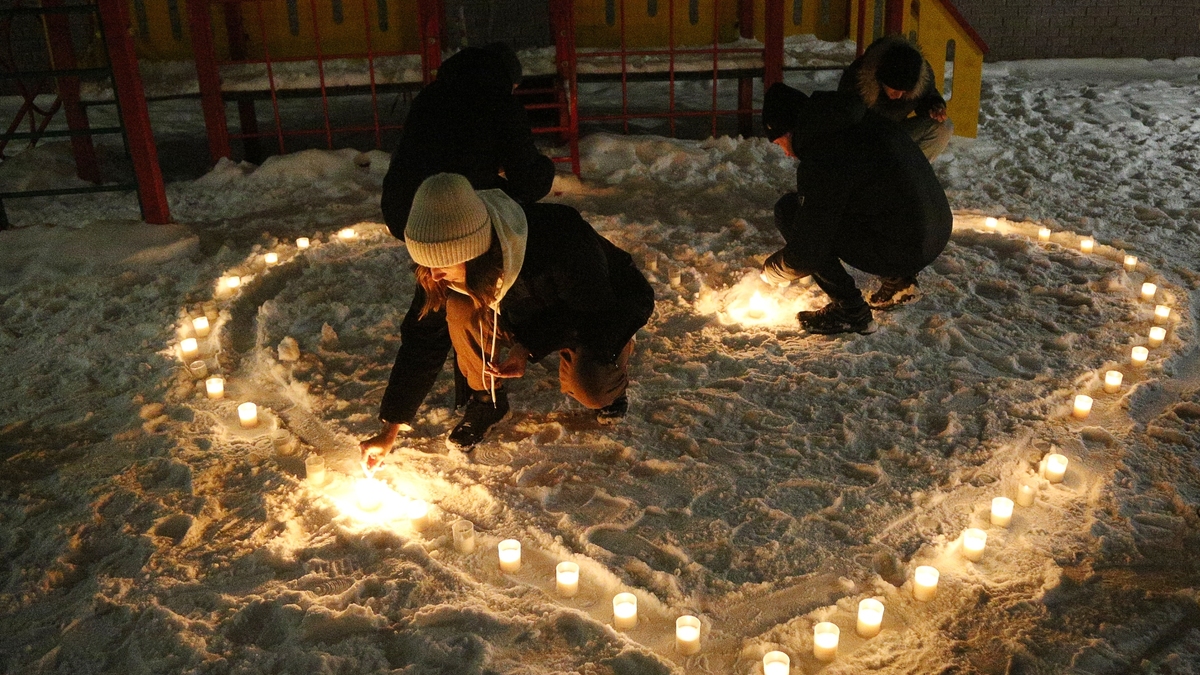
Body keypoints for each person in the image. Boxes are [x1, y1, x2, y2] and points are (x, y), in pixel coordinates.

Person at [362, 174, 654, 458]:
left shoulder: (559, 236)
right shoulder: (438, 267)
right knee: (460, 307)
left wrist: (526, 346)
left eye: (444, 264)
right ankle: (487, 401)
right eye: (427, 263)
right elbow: (422, 340)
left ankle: (612, 373)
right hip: (522, 311)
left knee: (591, 389)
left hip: (598, 308)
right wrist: (391, 427)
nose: (435, 274)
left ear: (475, 252)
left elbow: (589, 311)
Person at [365, 44, 556, 467]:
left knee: (458, 296)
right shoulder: (500, 101)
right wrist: (520, 192)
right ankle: (479, 389)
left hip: (408, 212)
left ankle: (478, 384)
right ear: (509, 80)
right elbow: (528, 174)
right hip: (459, 217)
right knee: (445, 300)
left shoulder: (430, 97)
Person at [760, 83, 953, 334]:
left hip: (906, 247)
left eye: (780, 143)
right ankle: (899, 280)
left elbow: (809, 249)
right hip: (935, 230)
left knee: (790, 211)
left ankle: (850, 311)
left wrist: (772, 271)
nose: (785, 153)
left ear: (791, 129)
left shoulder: (824, 156)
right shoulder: (861, 122)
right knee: (847, 203)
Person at [837, 36, 952, 161]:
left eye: (904, 91)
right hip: (865, 140)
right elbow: (844, 122)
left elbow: (927, 96)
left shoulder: (919, 74)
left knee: (943, 127)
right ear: (882, 77)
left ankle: (910, 174)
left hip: (895, 132)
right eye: (895, 89)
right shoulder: (858, 79)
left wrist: (934, 107)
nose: (899, 95)